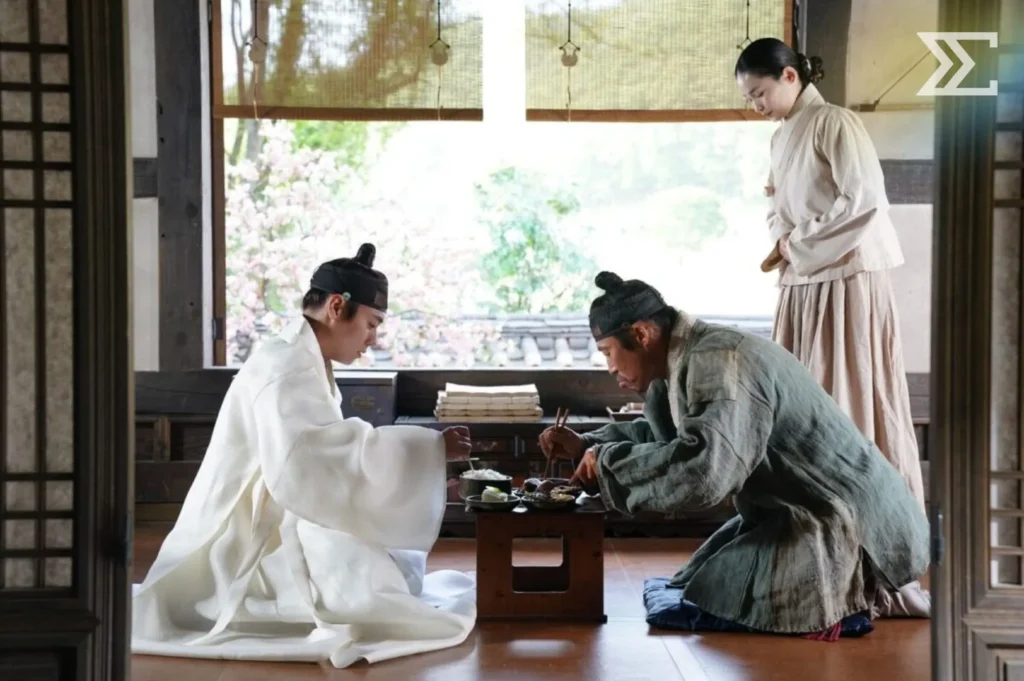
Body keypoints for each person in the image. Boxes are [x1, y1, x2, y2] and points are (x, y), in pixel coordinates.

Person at [132, 243, 477, 669]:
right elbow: (312, 460)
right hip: (253, 527)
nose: (373, 339)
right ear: (337, 307)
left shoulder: (297, 353)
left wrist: (424, 461)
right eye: (371, 324)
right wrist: (431, 449)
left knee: (388, 571)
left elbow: (322, 455)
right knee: (366, 587)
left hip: (290, 499)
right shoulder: (288, 367)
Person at [539, 272, 931, 637]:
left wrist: (607, 463)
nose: (609, 367)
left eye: (608, 352)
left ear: (641, 334)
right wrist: (586, 445)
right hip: (795, 505)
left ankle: (858, 592)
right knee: (704, 579)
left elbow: (703, 469)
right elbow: (668, 436)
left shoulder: (720, 360)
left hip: (841, 517)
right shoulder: (683, 360)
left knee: (731, 593)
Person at [733, 38, 926, 512]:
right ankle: (808, 510)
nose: (756, 106)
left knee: (846, 390)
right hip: (801, 277)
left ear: (790, 76)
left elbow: (863, 200)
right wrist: (785, 242)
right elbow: (778, 208)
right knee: (799, 394)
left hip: (844, 274)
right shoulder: (781, 136)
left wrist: (796, 244)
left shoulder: (834, 121)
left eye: (759, 93)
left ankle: (862, 509)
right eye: (750, 98)